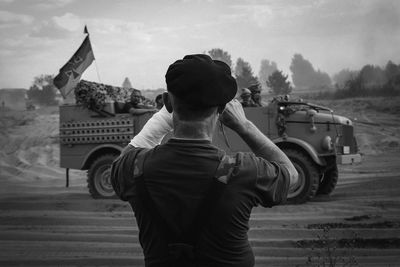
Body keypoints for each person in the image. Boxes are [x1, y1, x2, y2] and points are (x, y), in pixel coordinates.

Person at [111, 54, 298, 267]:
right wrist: (244, 126)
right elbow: (291, 174)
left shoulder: (135, 167)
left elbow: (118, 164)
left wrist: (161, 119)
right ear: (222, 109)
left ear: (167, 102)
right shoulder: (241, 171)